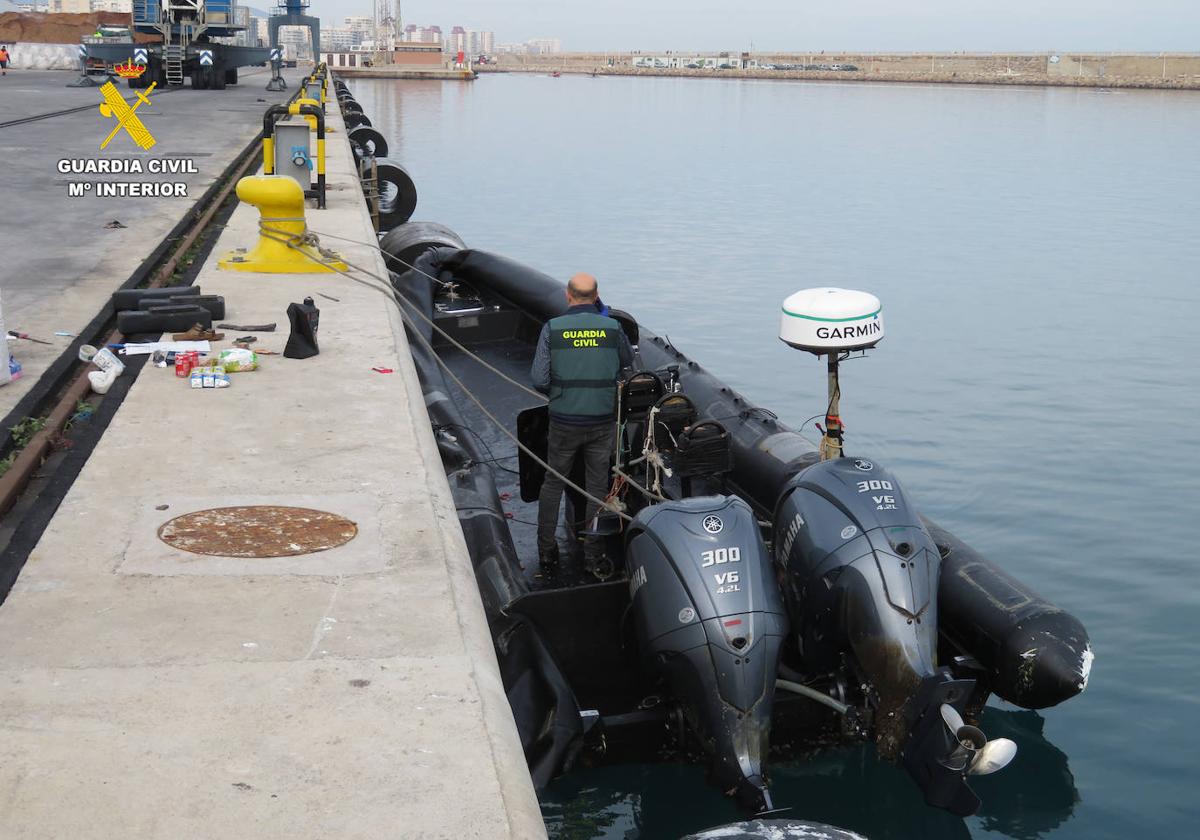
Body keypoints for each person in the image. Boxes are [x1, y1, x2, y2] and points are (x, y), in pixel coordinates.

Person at [531, 273, 632, 570]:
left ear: (568, 296)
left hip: (564, 421)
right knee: (596, 487)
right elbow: (628, 367)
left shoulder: (553, 328)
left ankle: (546, 552)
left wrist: (560, 393)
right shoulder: (613, 328)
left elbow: (538, 379)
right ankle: (593, 555)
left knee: (553, 484)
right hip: (602, 421)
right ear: (597, 294)